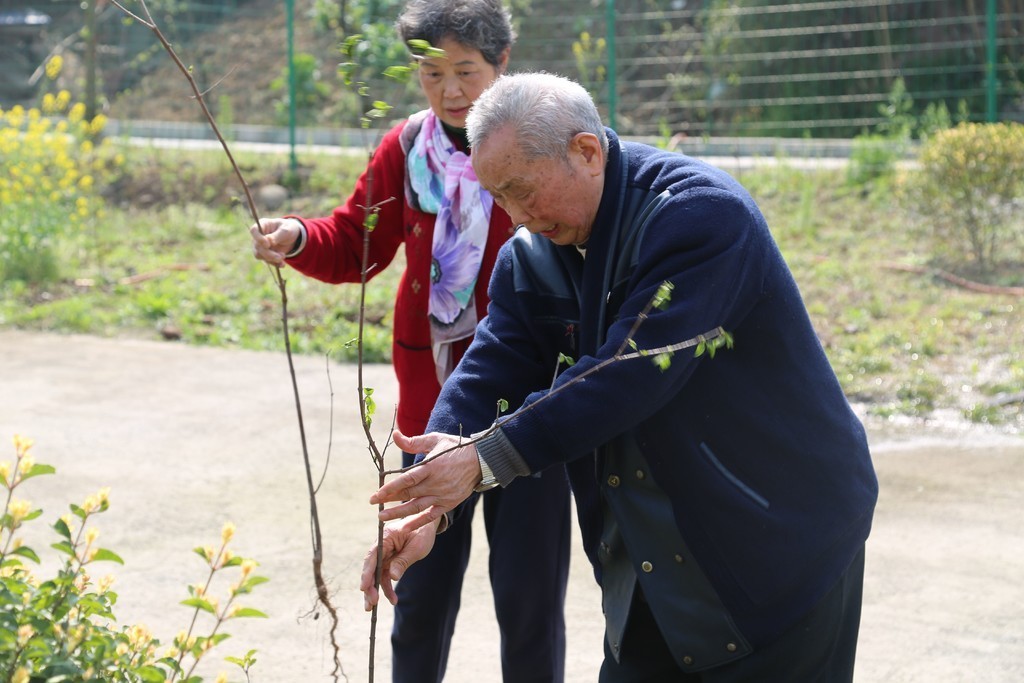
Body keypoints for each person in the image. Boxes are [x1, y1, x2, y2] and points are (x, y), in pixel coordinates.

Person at [360, 72, 879, 682]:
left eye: (522, 191)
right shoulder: (531, 258)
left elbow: (627, 374)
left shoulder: (700, 218)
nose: (517, 217)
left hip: (782, 544)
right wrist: (428, 499)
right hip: (652, 561)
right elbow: (487, 371)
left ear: (587, 152)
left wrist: (483, 459)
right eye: (498, 197)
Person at [249, 5, 571, 681]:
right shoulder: (406, 149)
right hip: (434, 411)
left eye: (466, 72)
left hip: (530, 407)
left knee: (530, 602)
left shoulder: (539, 144)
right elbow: (356, 242)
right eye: (432, 73)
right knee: (418, 595)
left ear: (502, 63)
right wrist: (299, 237)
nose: (450, 90)